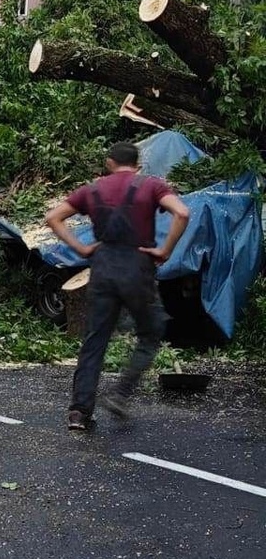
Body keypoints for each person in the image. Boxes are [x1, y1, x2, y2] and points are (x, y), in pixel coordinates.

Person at [46, 141, 190, 430]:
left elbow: (53, 218)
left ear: (110, 162)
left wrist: (82, 249)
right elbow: (182, 213)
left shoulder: (93, 190)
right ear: (137, 164)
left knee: (95, 340)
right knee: (150, 334)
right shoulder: (151, 185)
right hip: (138, 268)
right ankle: (121, 394)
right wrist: (165, 251)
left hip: (103, 268)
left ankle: (79, 412)